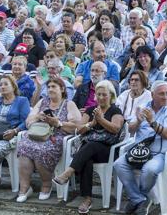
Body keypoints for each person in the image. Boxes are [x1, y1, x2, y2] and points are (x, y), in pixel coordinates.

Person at [52, 80, 123, 213]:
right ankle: (87, 199)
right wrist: (91, 124)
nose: (101, 97)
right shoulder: (90, 110)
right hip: (88, 151)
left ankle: (68, 173)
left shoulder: (115, 110)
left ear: (111, 95)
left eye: (104, 95)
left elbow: (116, 129)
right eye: (99, 94)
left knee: (90, 146)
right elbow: (78, 130)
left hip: (107, 150)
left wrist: (101, 120)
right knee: (87, 159)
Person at [114, 80, 167, 215]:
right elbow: (131, 130)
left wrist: (152, 121)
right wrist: (138, 121)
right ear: (152, 94)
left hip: (159, 153)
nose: (166, 97)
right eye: (162, 94)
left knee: (149, 170)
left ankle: (138, 198)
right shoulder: (143, 107)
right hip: (139, 151)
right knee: (118, 164)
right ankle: (140, 199)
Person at [17, 77, 81, 202]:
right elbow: (28, 121)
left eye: (54, 87)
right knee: (23, 146)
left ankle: (46, 184)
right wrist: (37, 117)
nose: (50, 89)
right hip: (37, 133)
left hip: (57, 137)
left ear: (62, 89)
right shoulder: (42, 102)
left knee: (42, 149)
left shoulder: (69, 104)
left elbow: (77, 127)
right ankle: (24, 187)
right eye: (49, 87)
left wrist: (58, 123)